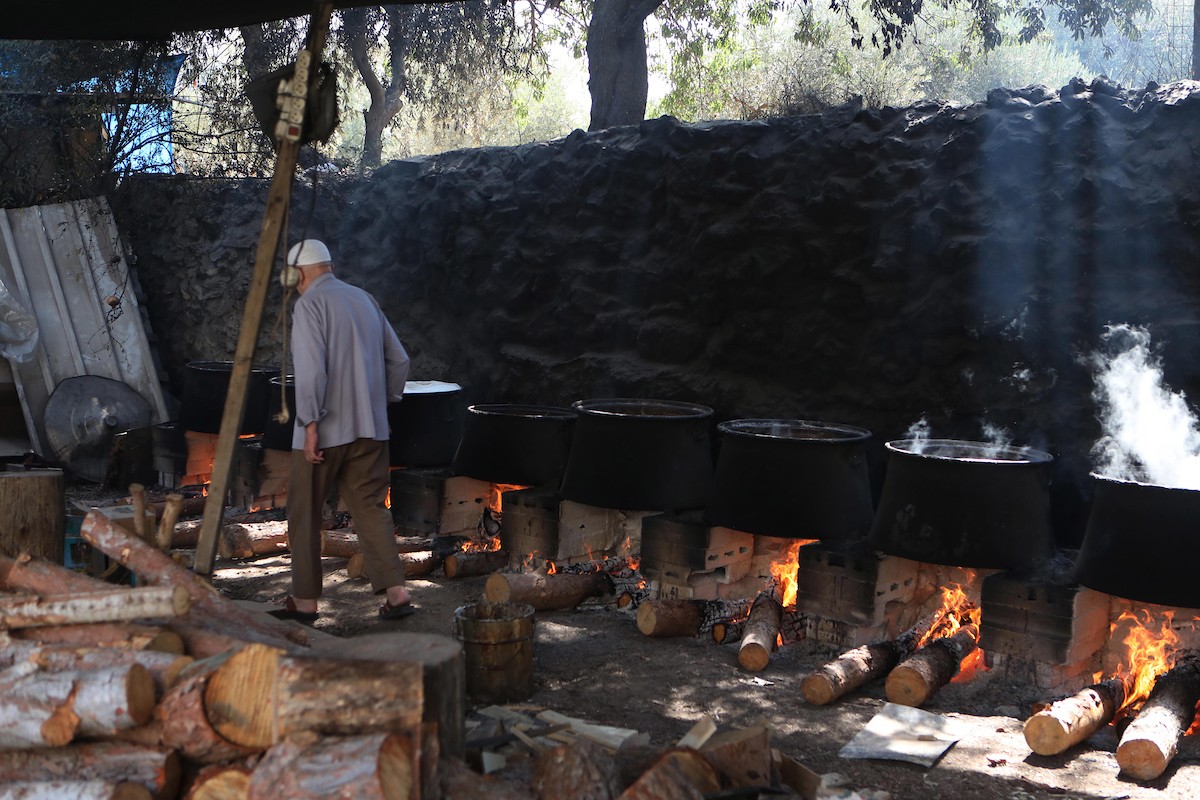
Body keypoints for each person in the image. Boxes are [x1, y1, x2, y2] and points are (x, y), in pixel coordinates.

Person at [269, 239, 415, 623]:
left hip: (325, 434)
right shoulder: (364, 299)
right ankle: (397, 594)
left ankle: (304, 601)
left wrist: (311, 424)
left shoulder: (309, 304)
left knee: (305, 512)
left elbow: (312, 372)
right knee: (370, 508)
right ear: (327, 266)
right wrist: (378, 404)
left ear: (299, 274)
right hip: (371, 430)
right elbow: (399, 359)